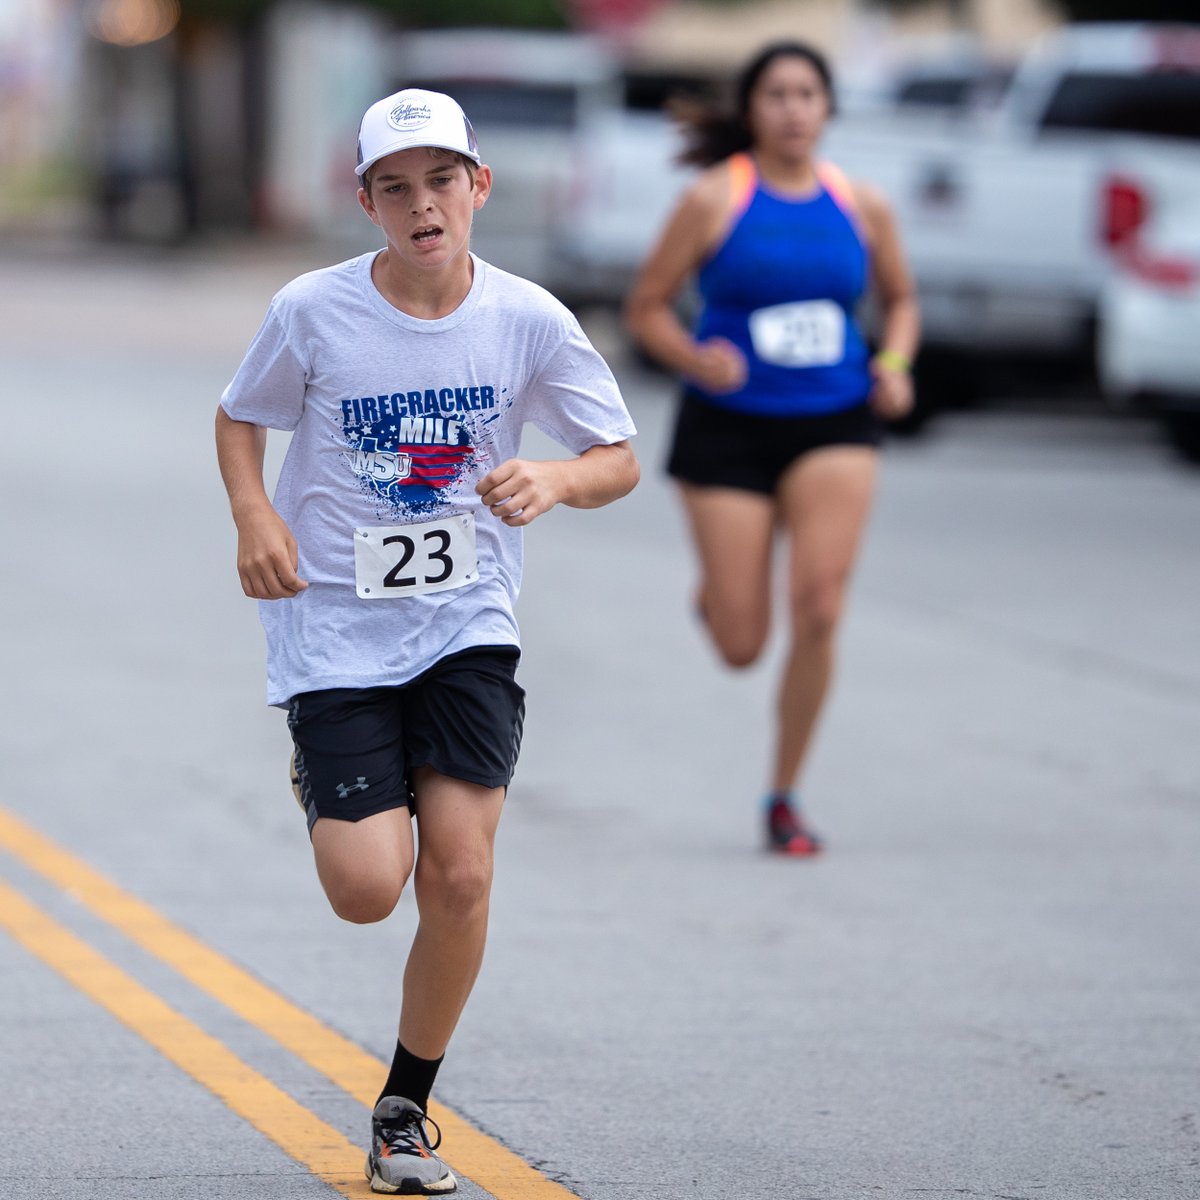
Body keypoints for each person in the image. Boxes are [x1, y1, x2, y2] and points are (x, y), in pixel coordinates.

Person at [216, 88, 639, 1194]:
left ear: (478, 186)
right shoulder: (313, 311)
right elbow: (240, 414)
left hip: (466, 626)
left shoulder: (528, 319)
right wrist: (256, 515)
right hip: (336, 631)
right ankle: (332, 774)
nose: (423, 205)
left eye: (442, 180)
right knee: (368, 887)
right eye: (396, 187)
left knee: (460, 875)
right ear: (366, 203)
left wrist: (555, 478)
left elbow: (617, 457)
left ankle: (405, 1110)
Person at [624, 41, 919, 856]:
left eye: (807, 94)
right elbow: (646, 306)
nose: (793, 109)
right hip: (730, 426)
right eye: (777, 94)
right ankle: (720, 599)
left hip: (835, 420)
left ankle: (784, 795)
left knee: (820, 608)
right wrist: (694, 357)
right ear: (752, 109)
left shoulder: (862, 203)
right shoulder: (714, 197)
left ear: (828, 109)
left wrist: (895, 365)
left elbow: (901, 301)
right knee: (742, 645)